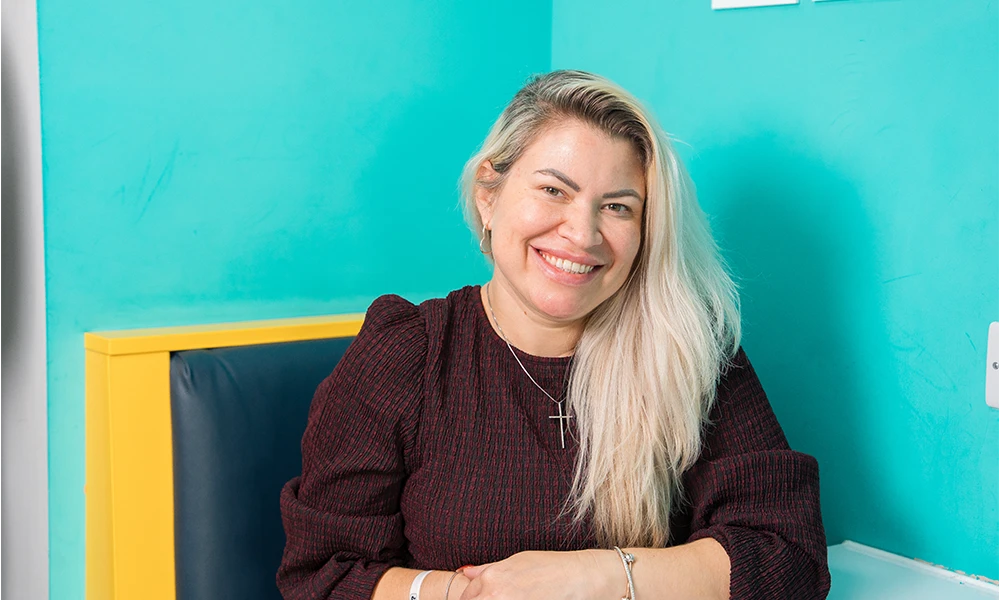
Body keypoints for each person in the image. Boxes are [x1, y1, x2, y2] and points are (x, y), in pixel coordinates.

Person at [278, 70, 830, 600]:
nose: (582, 234)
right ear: (489, 194)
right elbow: (324, 576)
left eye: (617, 207)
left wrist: (592, 578)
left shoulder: (689, 350)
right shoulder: (406, 354)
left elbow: (789, 556)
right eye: (553, 190)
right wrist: (469, 594)